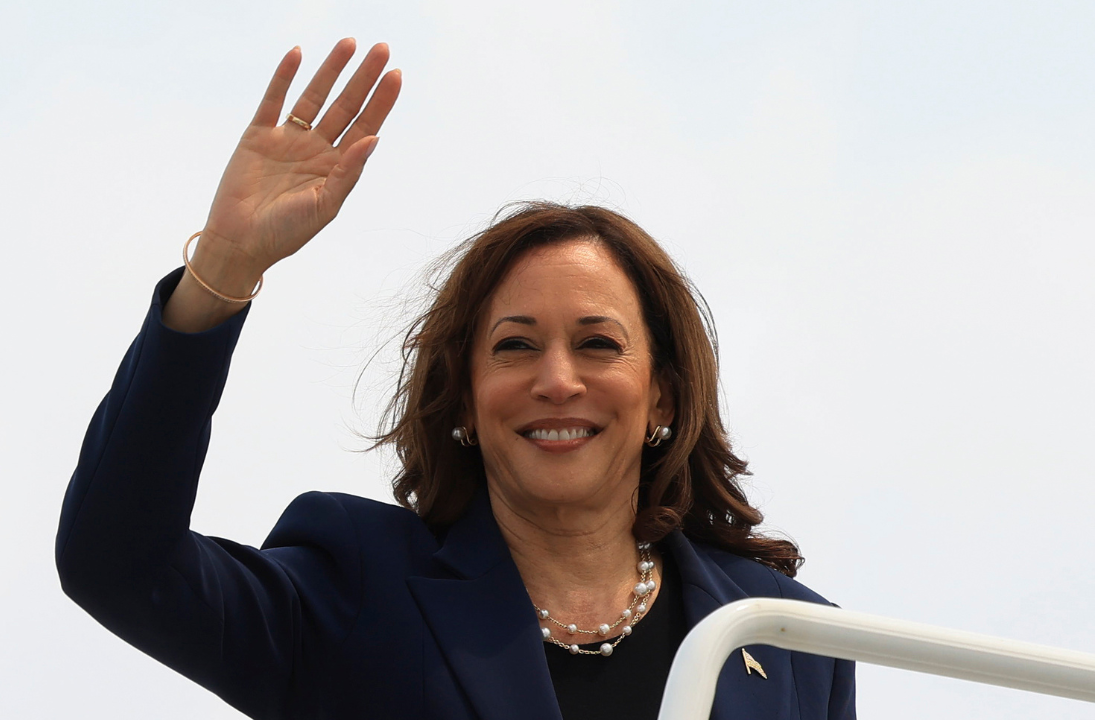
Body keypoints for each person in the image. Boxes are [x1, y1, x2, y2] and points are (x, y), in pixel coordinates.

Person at [54, 38, 857, 720]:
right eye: (514, 347)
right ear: (465, 401)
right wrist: (223, 270)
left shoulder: (789, 637)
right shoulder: (357, 586)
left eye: (597, 344)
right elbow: (117, 566)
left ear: (664, 397)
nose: (557, 380)